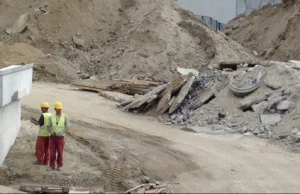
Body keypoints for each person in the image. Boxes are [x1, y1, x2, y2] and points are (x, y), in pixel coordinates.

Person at [47, 101, 70, 171]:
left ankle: (59, 165)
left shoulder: (65, 116)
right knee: (52, 152)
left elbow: (67, 127)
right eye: (58, 109)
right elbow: (48, 126)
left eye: (60, 109)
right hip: (53, 137)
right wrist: (51, 132)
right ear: (55, 109)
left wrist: (63, 132)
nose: (59, 110)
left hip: (60, 137)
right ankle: (52, 165)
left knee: (60, 152)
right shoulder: (51, 117)